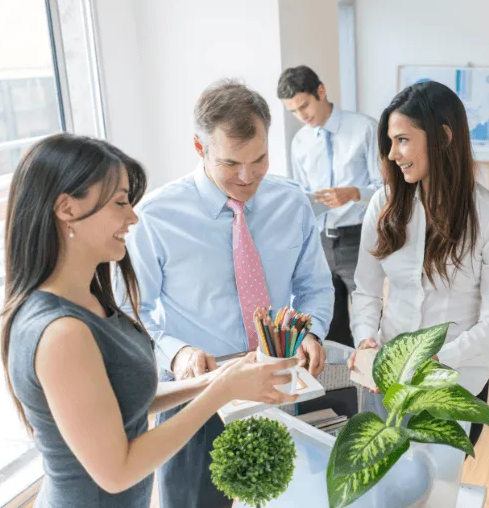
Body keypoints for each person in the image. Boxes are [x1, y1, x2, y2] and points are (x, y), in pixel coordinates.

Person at [2, 134, 296, 508]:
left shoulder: (88, 301)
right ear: (66, 208)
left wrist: (218, 379)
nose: (133, 217)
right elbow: (116, 472)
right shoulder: (62, 333)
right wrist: (219, 394)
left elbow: (118, 405)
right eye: (121, 202)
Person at [117, 80, 334, 508]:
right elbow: (130, 314)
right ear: (199, 148)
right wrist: (177, 354)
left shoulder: (291, 204)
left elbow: (314, 287)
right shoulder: (156, 217)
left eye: (260, 159)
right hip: (194, 396)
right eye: (231, 163)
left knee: (294, 499)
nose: (247, 177)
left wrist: (313, 332)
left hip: (278, 385)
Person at [347, 81, 489, 447]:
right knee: (388, 494)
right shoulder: (383, 205)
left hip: (454, 384)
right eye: (390, 142)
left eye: (403, 140)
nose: (392, 153)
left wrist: (432, 361)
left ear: (442, 137)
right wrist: (366, 342)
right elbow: (366, 289)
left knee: (438, 494)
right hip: (386, 380)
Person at [279, 65, 382, 348]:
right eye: (293, 111)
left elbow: (388, 191)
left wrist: (353, 193)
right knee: (327, 327)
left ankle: (379, 387)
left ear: (321, 92)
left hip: (359, 238)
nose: (302, 116)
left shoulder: (365, 128)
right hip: (320, 242)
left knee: (370, 321)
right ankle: (341, 391)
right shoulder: (300, 142)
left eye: (304, 105)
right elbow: (301, 194)